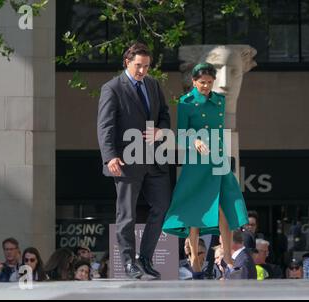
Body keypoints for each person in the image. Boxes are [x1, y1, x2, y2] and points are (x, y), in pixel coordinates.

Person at [162, 62, 248, 279]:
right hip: (197, 162)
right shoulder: (186, 102)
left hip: (218, 160)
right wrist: (196, 140)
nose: (206, 86)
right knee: (196, 211)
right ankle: (193, 258)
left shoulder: (219, 100)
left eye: (210, 82)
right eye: (202, 83)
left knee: (225, 207)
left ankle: (227, 257)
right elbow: (181, 135)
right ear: (193, 81)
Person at [97, 42, 171, 280]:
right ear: (127, 62)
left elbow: (164, 115)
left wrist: (161, 131)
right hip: (126, 160)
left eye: (146, 66)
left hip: (154, 159)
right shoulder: (112, 88)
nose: (142, 71)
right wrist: (109, 156)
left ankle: (146, 259)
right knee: (127, 215)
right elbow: (105, 126)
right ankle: (128, 262)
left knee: (162, 207)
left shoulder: (153, 84)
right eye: (138, 65)